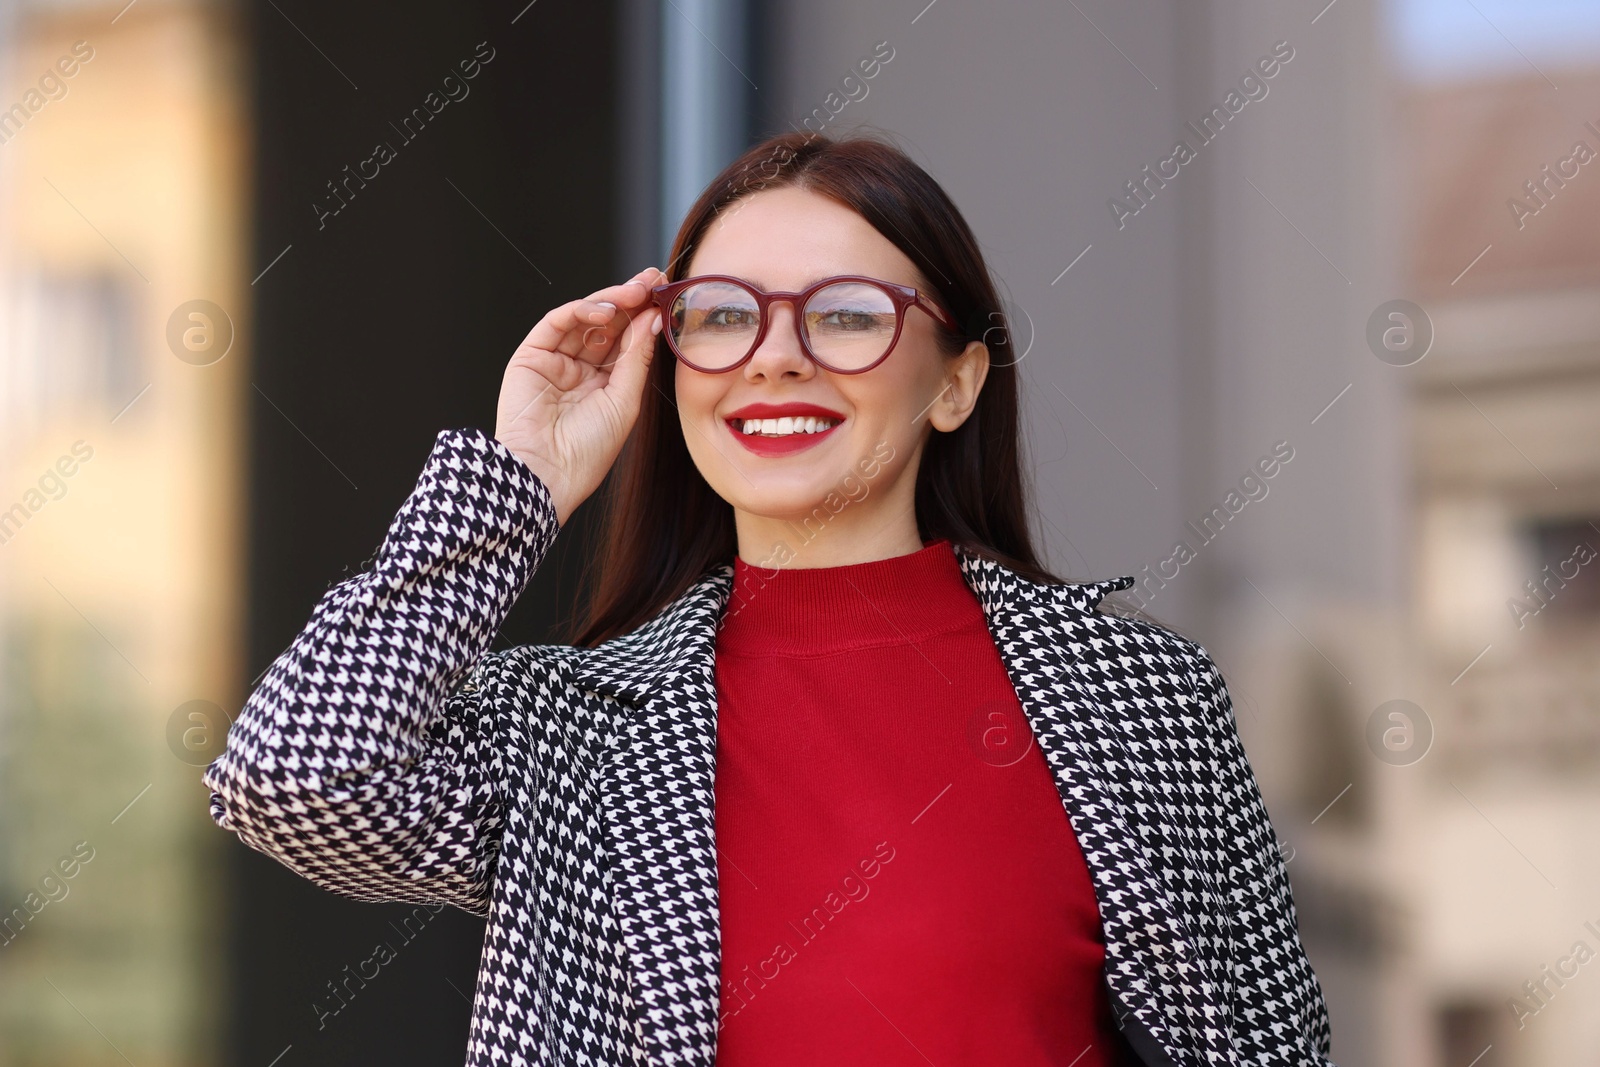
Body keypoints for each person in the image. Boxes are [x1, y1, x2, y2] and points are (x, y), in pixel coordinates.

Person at [203, 130, 1334, 1067]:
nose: (774, 357)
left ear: (955, 381)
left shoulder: (1142, 702)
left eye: (845, 314)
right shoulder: (570, 727)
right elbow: (294, 777)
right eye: (723, 314)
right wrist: (519, 483)